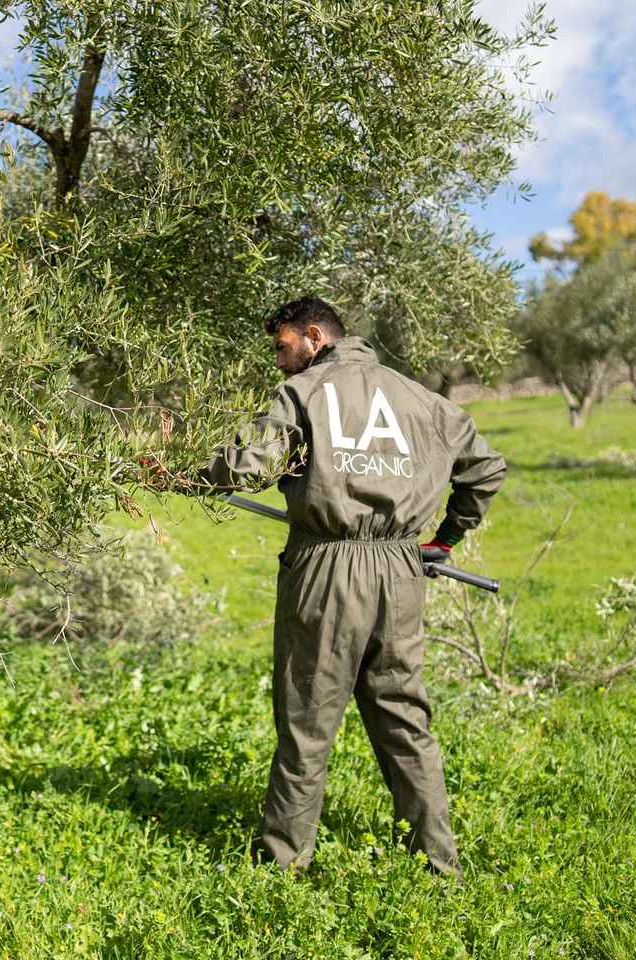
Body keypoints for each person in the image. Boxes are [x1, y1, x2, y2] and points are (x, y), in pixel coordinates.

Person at [188, 295, 505, 875]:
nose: (280, 363)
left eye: (283, 348)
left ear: (315, 337)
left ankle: (281, 867)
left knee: (307, 721)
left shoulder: (302, 394)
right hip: (403, 570)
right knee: (405, 719)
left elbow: (247, 466)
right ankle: (439, 863)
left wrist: (184, 471)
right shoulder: (420, 397)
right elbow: (485, 469)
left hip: (327, 570)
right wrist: (445, 539)